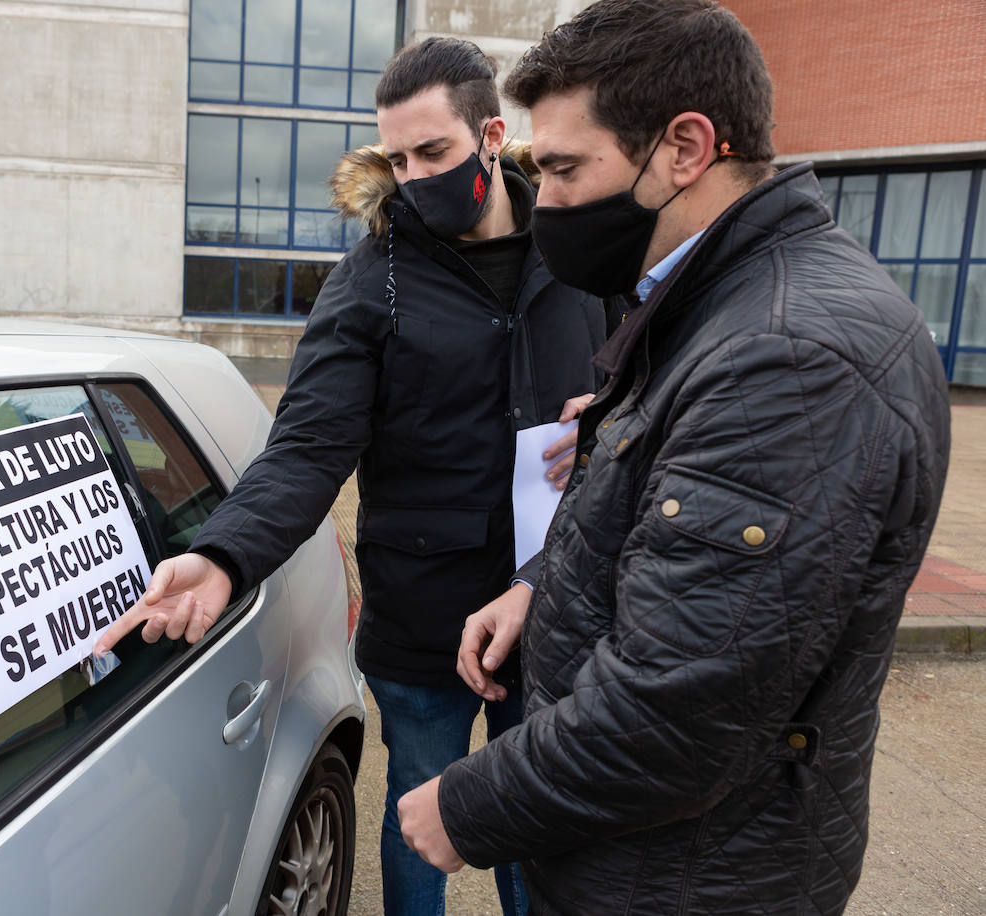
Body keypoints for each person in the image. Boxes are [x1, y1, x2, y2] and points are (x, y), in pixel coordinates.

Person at [394, 2, 953, 913]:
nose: (552, 204)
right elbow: (669, 539)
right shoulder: (719, 304)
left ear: (686, 148)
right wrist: (539, 585)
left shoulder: (786, 361)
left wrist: (469, 805)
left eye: (568, 169)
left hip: (684, 879)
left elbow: (678, 710)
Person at [96, 36, 605, 915]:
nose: (413, 178)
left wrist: (617, 410)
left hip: (551, 601)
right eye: (397, 158)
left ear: (491, 135)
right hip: (423, 619)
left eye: (433, 153)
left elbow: (652, 362)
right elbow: (306, 447)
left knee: (536, 816)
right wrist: (222, 556)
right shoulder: (372, 282)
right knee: (422, 805)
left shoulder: (578, 251)